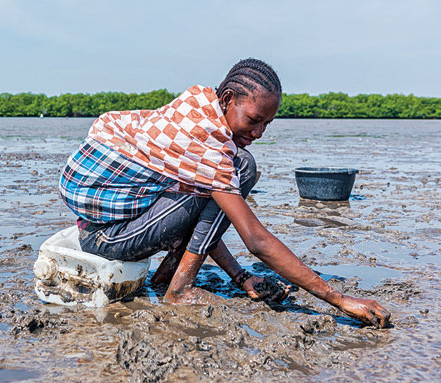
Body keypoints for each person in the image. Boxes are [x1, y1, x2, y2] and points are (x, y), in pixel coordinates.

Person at [58, 58, 390, 328]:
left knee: (230, 173)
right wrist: (338, 299)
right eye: (254, 120)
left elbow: (205, 217)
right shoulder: (207, 144)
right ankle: (179, 288)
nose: (259, 132)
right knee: (242, 167)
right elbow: (256, 240)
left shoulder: (201, 102)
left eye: (267, 125)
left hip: (115, 224)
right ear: (228, 98)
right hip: (104, 238)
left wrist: (240, 276)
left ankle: (168, 278)